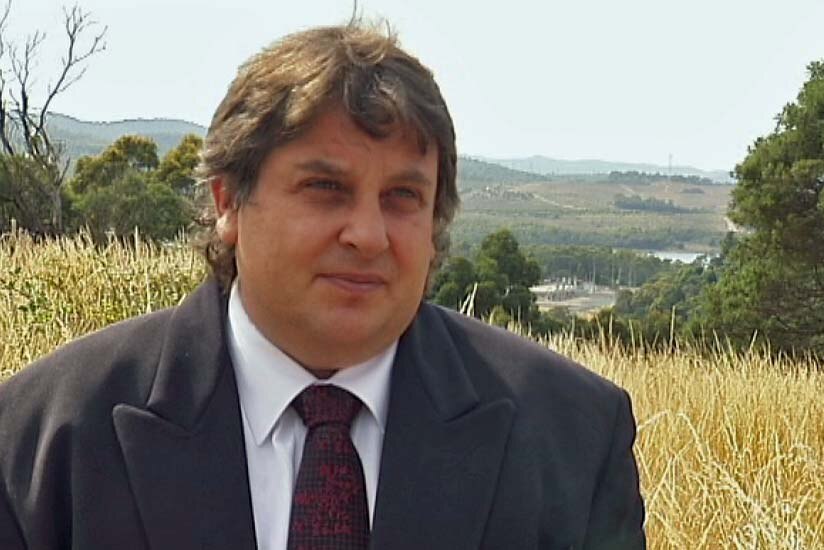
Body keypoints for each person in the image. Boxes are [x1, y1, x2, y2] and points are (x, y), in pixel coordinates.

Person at [0, 22, 645, 550]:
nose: (368, 234)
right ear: (228, 200)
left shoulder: (572, 436)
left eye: (402, 197)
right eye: (326, 188)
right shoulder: (44, 438)